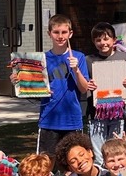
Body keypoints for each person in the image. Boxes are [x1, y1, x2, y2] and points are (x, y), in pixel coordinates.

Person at [12, 14, 94, 155]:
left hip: (72, 120)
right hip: (48, 119)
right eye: (56, 32)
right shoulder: (41, 60)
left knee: (73, 163)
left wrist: (76, 70)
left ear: (70, 33)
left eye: (64, 32)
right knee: (45, 164)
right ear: (49, 33)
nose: (60, 36)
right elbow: (31, 89)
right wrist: (19, 81)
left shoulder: (78, 57)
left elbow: (84, 88)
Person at [86, 22, 125, 165]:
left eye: (106, 39)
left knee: (116, 150)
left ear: (114, 40)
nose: (102, 43)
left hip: (118, 112)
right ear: (94, 42)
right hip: (96, 113)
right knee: (98, 153)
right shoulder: (88, 60)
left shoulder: (124, 58)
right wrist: (87, 84)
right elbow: (83, 84)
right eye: (98, 40)